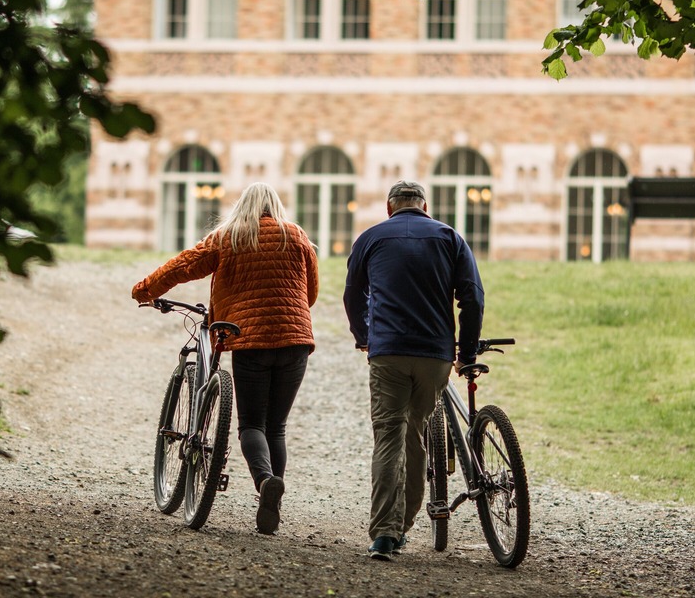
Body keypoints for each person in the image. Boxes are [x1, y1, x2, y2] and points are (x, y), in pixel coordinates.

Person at [132, 182, 319, 535]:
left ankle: (265, 482)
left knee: (251, 424)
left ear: (242, 206)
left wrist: (145, 289)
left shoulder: (229, 237)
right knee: (276, 426)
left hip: (247, 339)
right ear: (275, 206)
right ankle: (271, 497)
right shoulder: (296, 236)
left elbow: (184, 266)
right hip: (295, 341)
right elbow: (310, 292)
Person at [343, 179, 484, 561]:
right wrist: (465, 353)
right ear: (425, 207)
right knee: (416, 431)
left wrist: (364, 337)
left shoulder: (371, 238)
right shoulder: (449, 237)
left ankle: (385, 535)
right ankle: (403, 524)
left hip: (387, 352)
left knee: (389, 435)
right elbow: (472, 297)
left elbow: (352, 294)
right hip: (434, 355)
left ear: (389, 208)